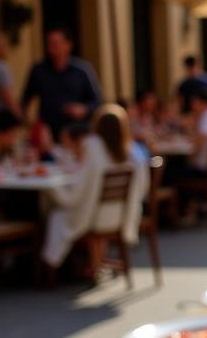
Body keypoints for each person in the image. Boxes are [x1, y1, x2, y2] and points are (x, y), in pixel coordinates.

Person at [42, 103, 147, 269]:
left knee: (56, 216)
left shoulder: (94, 149)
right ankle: (93, 263)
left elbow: (78, 194)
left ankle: (53, 267)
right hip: (122, 215)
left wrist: (51, 188)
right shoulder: (132, 152)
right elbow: (142, 188)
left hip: (95, 218)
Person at [21, 27, 102, 140]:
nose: (51, 47)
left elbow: (98, 102)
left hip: (76, 135)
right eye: (49, 43)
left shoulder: (82, 70)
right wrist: (30, 124)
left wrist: (84, 109)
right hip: (48, 134)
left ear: (68, 45)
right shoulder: (39, 71)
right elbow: (25, 100)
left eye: (55, 43)